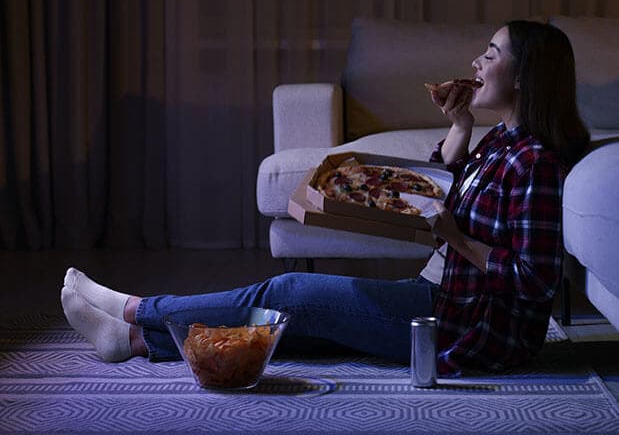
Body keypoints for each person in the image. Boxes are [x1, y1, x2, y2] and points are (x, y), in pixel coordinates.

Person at [61, 20, 589, 376]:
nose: (476, 61)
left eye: (491, 54)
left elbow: (536, 279)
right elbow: (443, 185)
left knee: (288, 290)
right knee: (296, 323)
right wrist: (459, 124)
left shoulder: (536, 162)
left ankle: (135, 308)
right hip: (437, 296)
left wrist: (456, 238)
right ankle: (133, 342)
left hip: (464, 327)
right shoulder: (501, 141)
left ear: (522, 77)